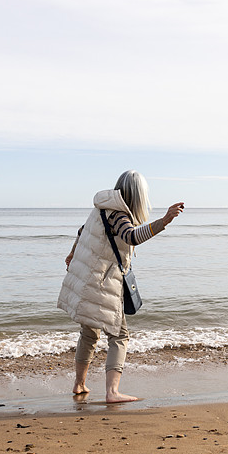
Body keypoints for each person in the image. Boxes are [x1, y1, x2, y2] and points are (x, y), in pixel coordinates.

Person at [58, 170, 184, 403]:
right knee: (119, 335)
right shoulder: (119, 214)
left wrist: (72, 253)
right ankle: (112, 392)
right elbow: (132, 236)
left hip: (87, 278)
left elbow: (82, 231)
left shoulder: (101, 207)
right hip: (103, 281)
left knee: (88, 333)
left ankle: (79, 384)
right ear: (137, 195)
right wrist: (164, 221)